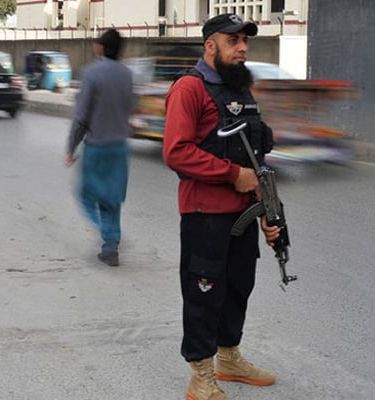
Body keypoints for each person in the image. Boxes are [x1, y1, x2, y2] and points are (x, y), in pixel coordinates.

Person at [162, 13, 281, 400]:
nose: (243, 47)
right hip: (205, 215)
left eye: (245, 40)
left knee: (238, 286)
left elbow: (256, 155)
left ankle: (229, 359)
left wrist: (266, 210)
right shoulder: (189, 89)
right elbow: (176, 152)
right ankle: (200, 375)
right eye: (234, 41)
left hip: (243, 213)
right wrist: (232, 175)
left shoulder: (241, 91)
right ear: (210, 45)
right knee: (205, 292)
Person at [64, 29, 134, 267]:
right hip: (120, 147)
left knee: (86, 195)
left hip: (97, 147)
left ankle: (107, 233)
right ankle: (110, 247)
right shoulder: (127, 74)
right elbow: (130, 108)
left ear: (101, 48)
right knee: (112, 199)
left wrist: (71, 147)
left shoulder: (91, 73)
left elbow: (81, 116)